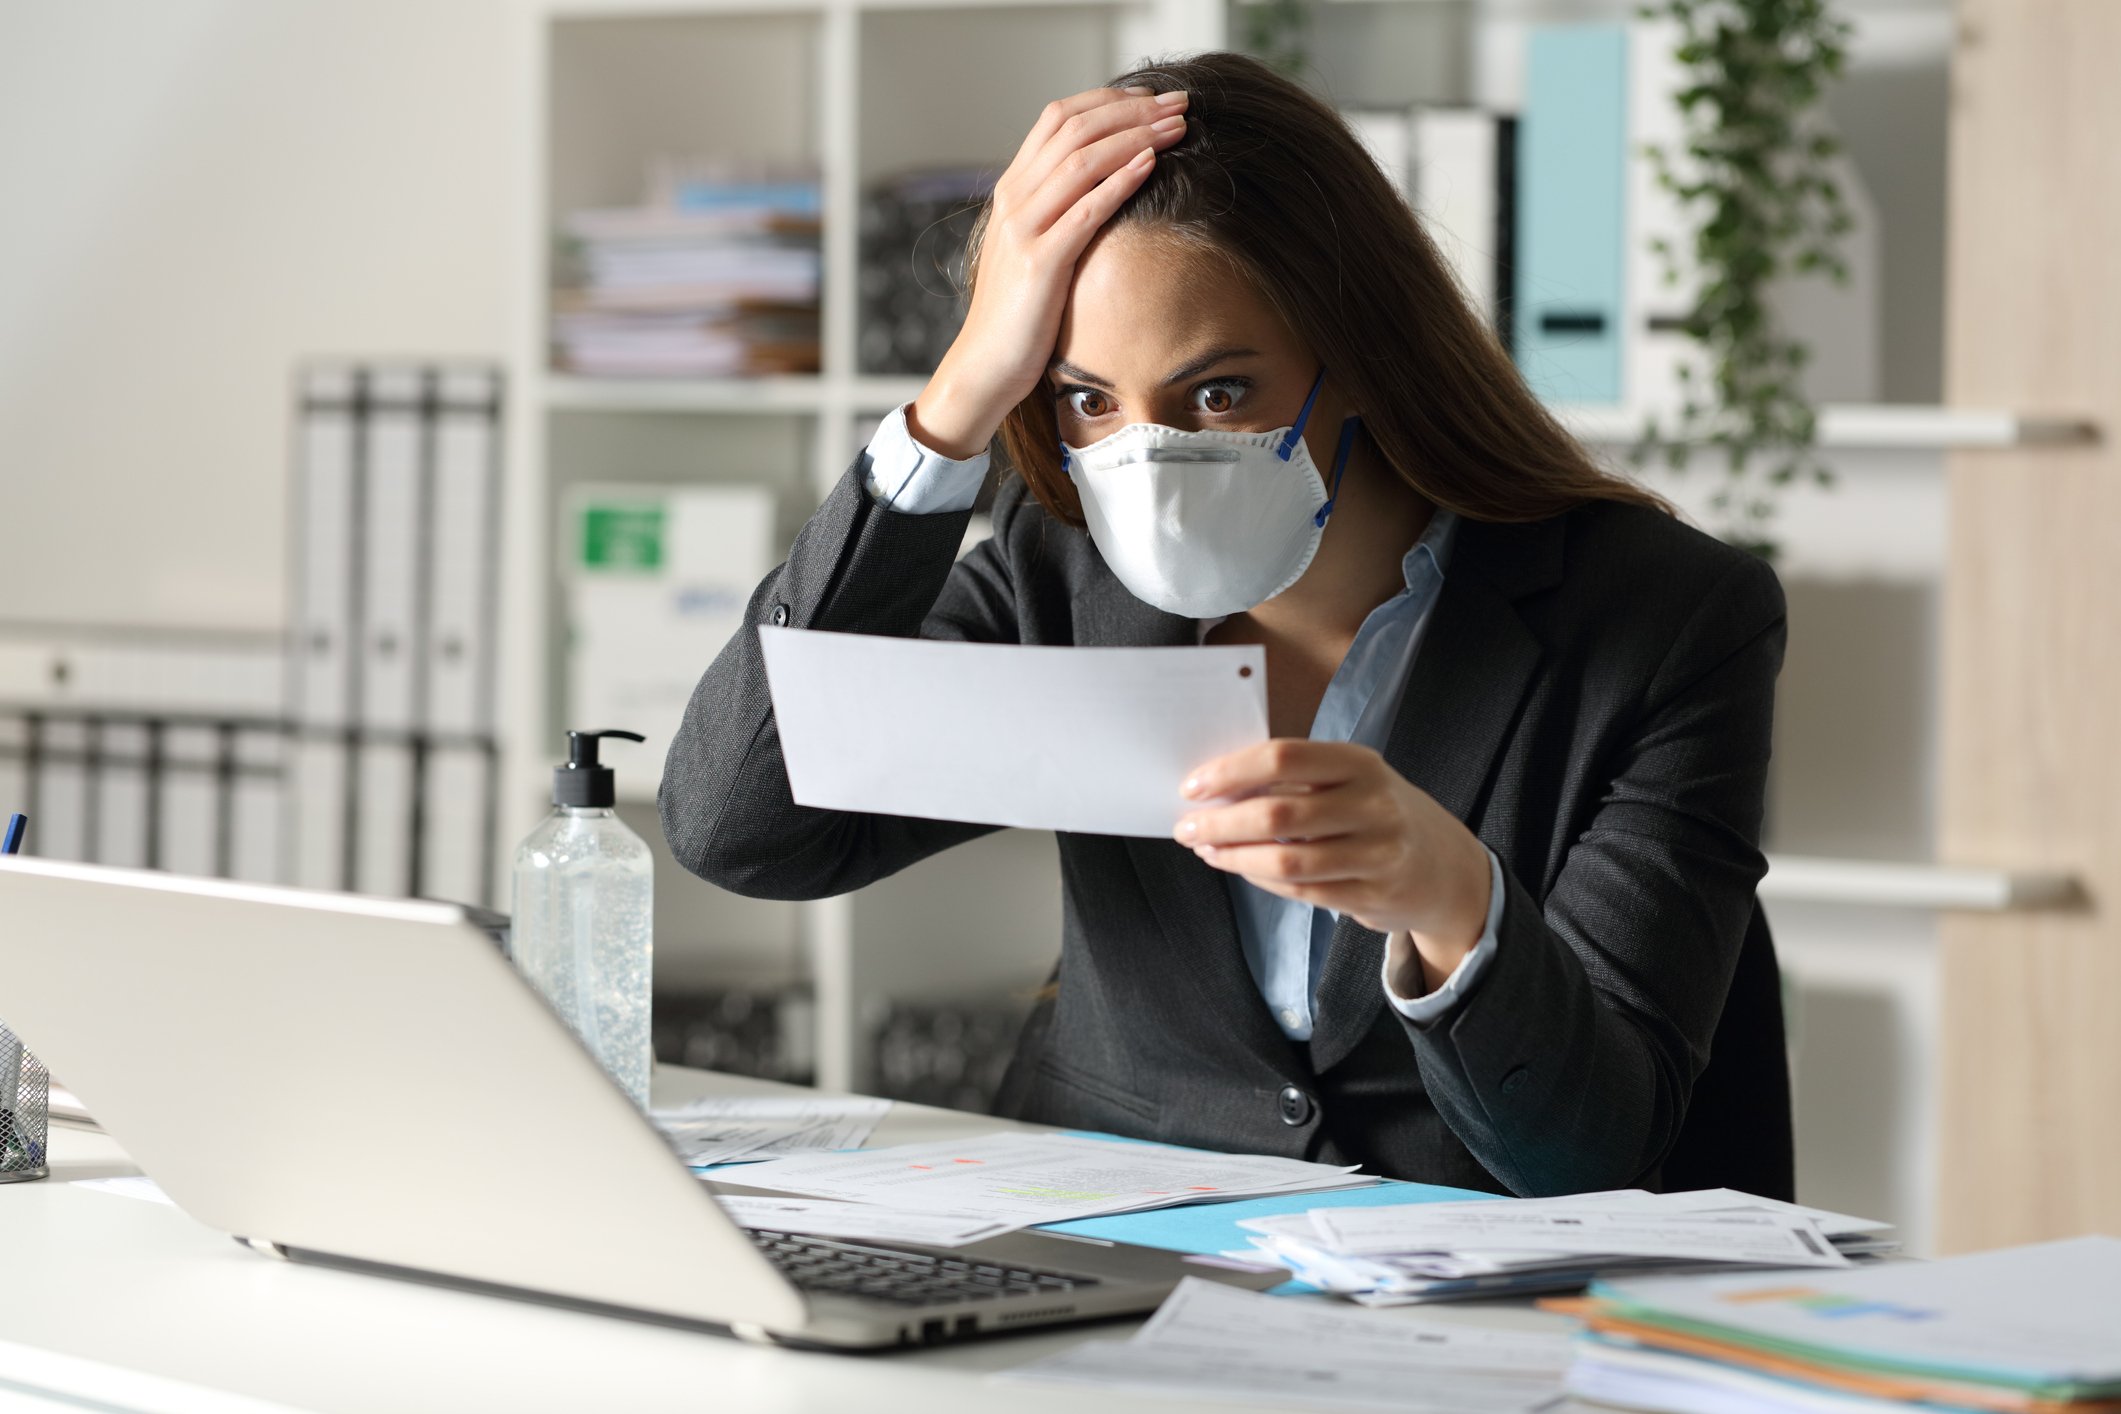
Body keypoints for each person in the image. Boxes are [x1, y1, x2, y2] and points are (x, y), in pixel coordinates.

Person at [660, 51, 1792, 1200]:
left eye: (1217, 392)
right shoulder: (1063, 581)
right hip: (1113, 1266)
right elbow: (738, 825)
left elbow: (1589, 1146)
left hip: (1468, 1315)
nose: (1149, 462)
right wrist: (953, 402)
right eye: (1088, 398)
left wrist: (1455, 899)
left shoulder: (1667, 621)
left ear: (1358, 356)